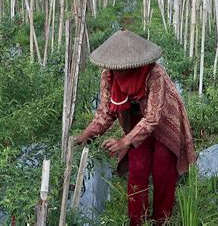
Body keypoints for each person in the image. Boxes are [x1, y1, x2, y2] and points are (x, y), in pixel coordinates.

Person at [75, 29, 196, 225]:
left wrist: (124, 141)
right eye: (115, 67)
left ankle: (160, 219)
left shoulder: (154, 73)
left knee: (162, 166)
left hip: (164, 119)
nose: (119, 71)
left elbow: (153, 118)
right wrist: (88, 133)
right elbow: (106, 111)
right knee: (138, 167)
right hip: (136, 120)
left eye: (123, 67)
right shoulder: (108, 76)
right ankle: (137, 220)